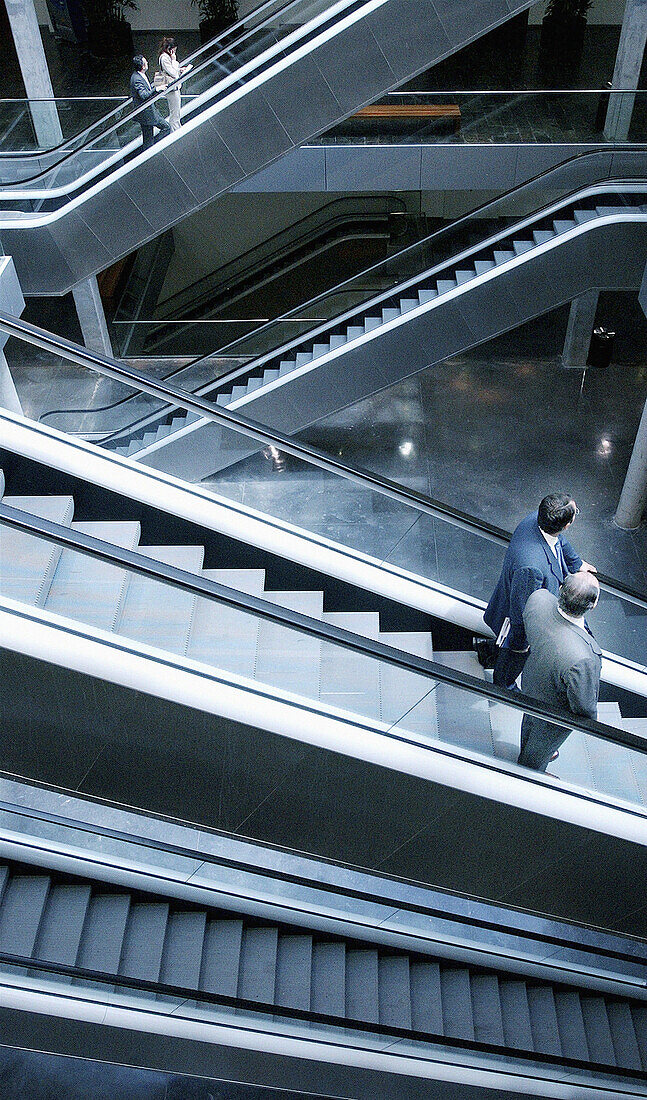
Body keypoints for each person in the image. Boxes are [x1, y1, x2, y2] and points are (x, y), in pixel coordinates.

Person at [483, 493, 596, 689]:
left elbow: (560, 541)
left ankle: (490, 654)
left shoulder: (537, 520)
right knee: (513, 655)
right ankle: (503, 686)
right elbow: (521, 611)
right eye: (575, 513)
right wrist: (522, 643)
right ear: (567, 524)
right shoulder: (530, 568)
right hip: (520, 625)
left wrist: (577, 564)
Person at [518, 573, 602, 772]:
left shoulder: (538, 599)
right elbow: (584, 707)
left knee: (529, 723)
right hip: (554, 711)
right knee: (540, 748)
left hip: (531, 682)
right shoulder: (583, 659)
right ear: (593, 604)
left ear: (561, 589)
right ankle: (530, 773)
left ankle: (529, 751)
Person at [130, 55, 172, 151]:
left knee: (148, 138)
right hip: (146, 113)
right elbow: (144, 95)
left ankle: (150, 150)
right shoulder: (137, 79)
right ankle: (154, 148)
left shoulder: (138, 75)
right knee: (166, 128)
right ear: (143, 66)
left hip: (146, 113)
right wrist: (156, 89)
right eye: (146, 62)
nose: (147, 63)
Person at [158, 37, 192, 132]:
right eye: (174, 50)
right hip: (171, 88)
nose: (175, 52)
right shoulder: (164, 58)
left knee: (176, 111)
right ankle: (175, 131)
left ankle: (177, 129)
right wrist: (174, 60)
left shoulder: (165, 57)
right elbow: (173, 73)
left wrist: (179, 69)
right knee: (175, 112)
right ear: (170, 48)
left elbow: (172, 71)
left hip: (174, 87)